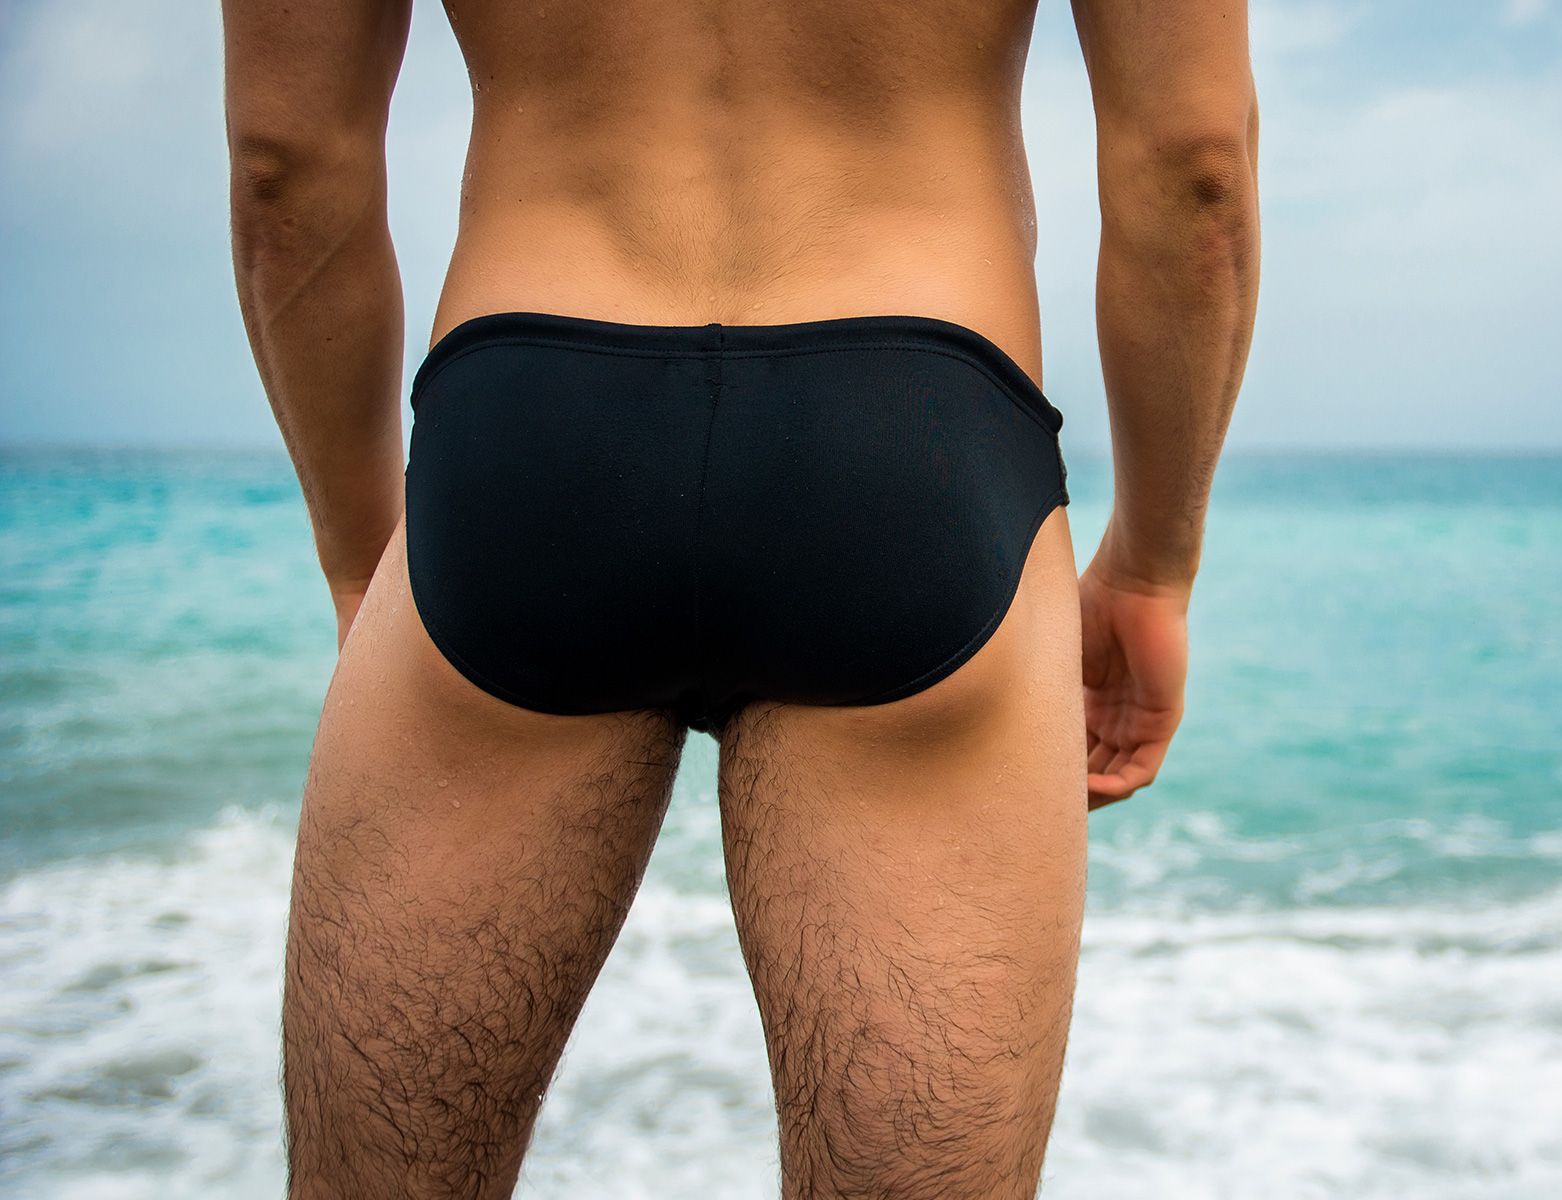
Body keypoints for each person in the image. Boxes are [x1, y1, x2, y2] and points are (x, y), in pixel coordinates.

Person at [221, 0, 1259, 1194]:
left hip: (528, 427)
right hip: (908, 426)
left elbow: (286, 164)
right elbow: (1193, 167)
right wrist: (1152, 565)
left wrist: (367, 555)